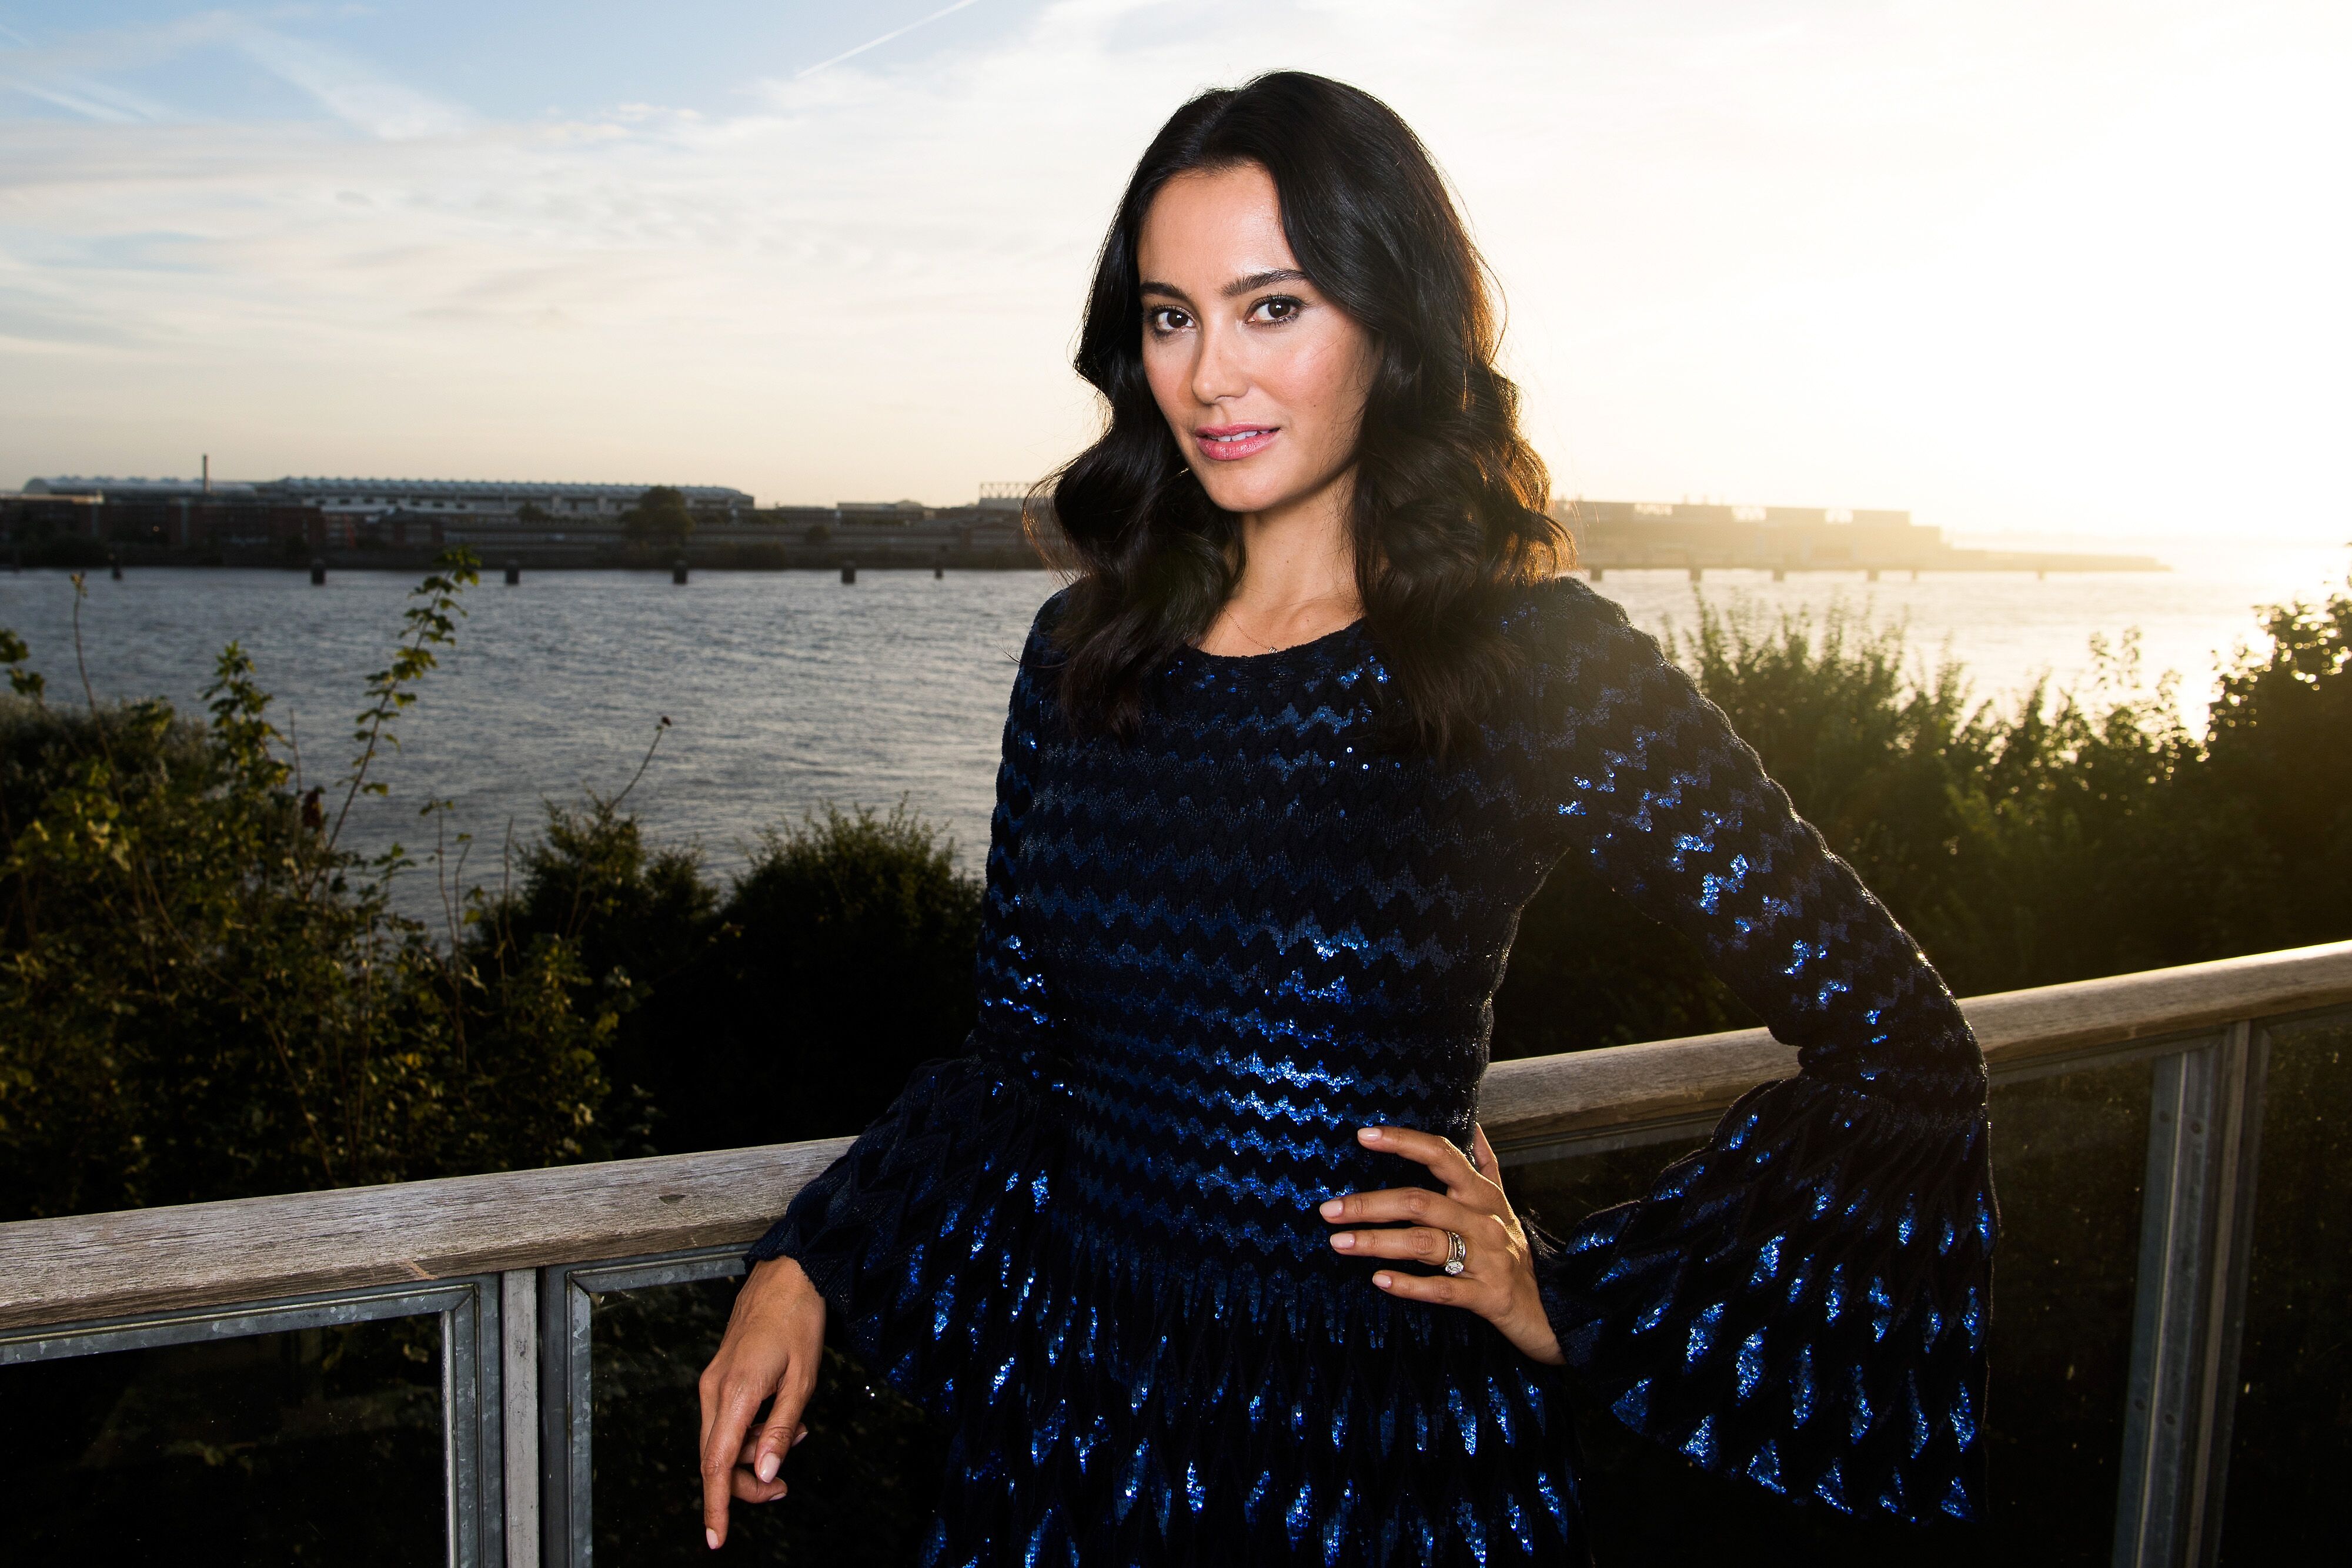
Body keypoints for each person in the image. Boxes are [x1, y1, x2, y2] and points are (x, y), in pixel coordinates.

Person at [696, 71, 1996, 1564]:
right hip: (1078, 1448)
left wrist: (1565, 1292)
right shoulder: (1084, 654)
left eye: (1271, 307)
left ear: (1391, 322)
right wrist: (807, 1259)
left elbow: (1903, 1048)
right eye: (1168, 314)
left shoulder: (1532, 666)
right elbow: (1017, 1054)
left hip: (1376, 1465)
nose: (1203, 377)